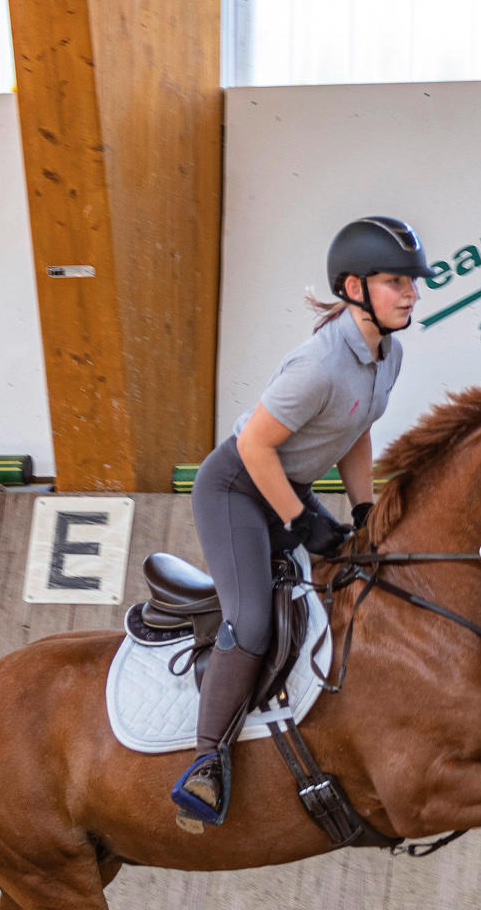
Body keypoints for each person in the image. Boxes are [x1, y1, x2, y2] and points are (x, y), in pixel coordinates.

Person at [171, 215, 437, 833]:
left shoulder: (386, 356)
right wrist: (300, 522)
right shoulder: (316, 365)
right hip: (236, 488)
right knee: (254, 618)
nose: (412, 294)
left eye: (412, 282)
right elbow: (257, 449)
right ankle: (205, 762)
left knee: (352, 581)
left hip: (285, 487)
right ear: (354, 286)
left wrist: (364, 509)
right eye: (397, 282)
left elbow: (355, 430)